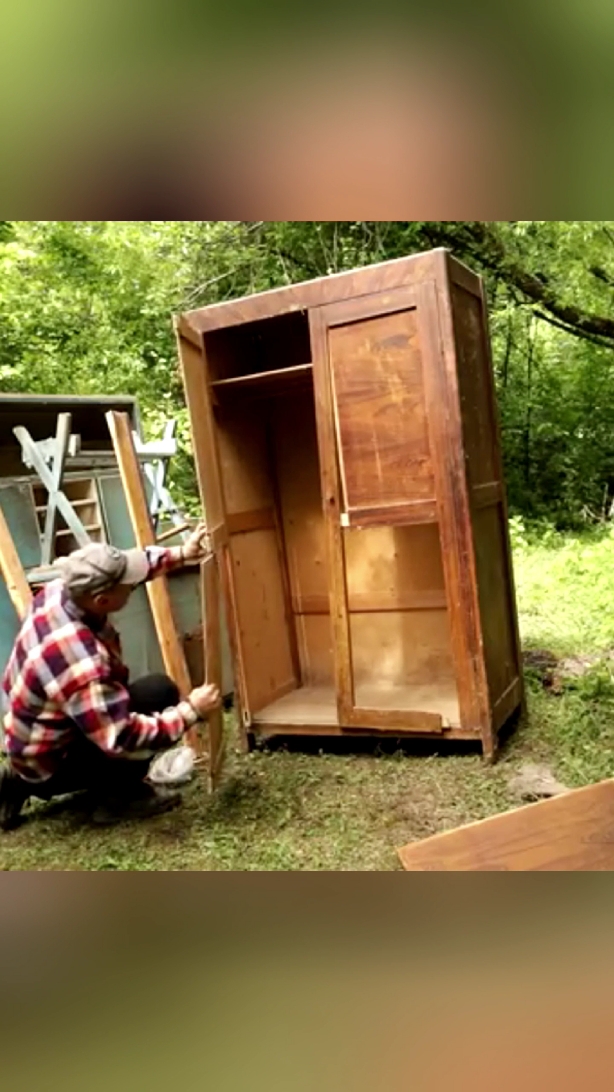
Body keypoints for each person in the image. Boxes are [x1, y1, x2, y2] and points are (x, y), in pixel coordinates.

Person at [0, 525, 220, 830]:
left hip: (36, 735)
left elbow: (128, 569)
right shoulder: (81, 662)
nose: (133, 586)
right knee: (155, 706)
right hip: (52, 758)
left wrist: (181, 554)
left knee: (156, 690)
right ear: (102, 600)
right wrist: (190, 712)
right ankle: (117, 799)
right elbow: (123, 738)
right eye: (128, 588)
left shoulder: (59, 590)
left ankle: (21, 777)